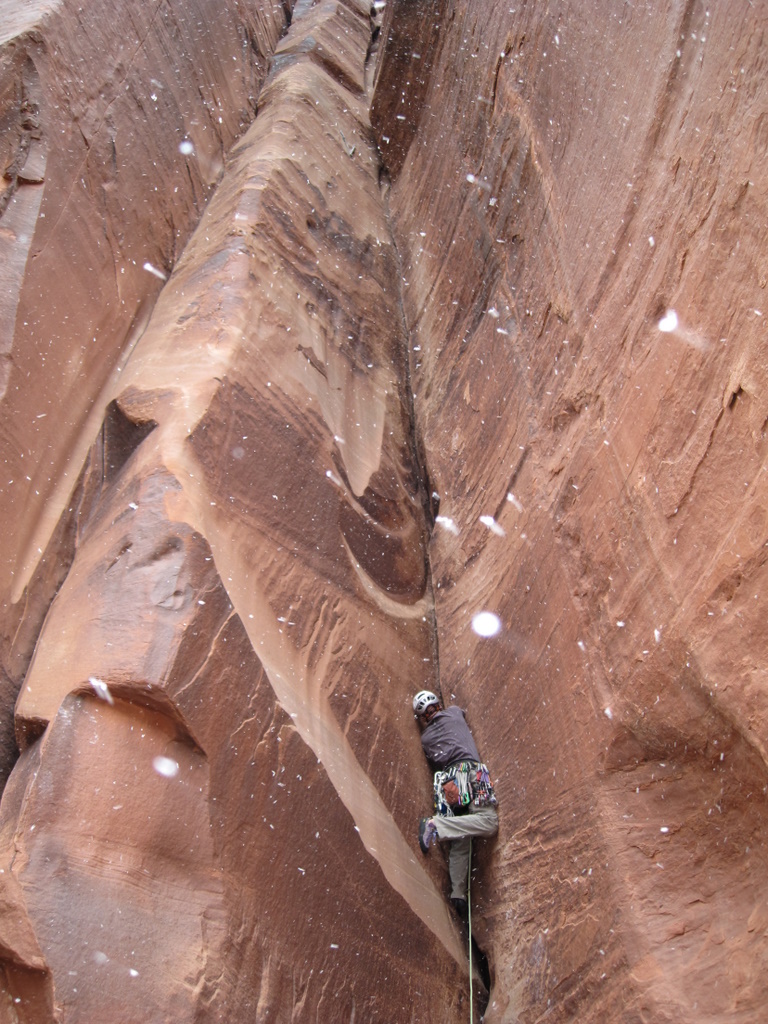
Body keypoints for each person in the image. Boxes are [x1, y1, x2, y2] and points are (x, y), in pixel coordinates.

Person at [413, 690, 498, 919]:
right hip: (472, 772)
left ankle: (458, 893)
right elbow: (461, 712)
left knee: (462, 833)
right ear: (438, 705)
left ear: (422, 718)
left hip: (448, 782)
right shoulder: (454, 713)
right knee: (488, 822)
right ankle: (436, 826)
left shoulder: (426, 739)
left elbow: (435, 759)